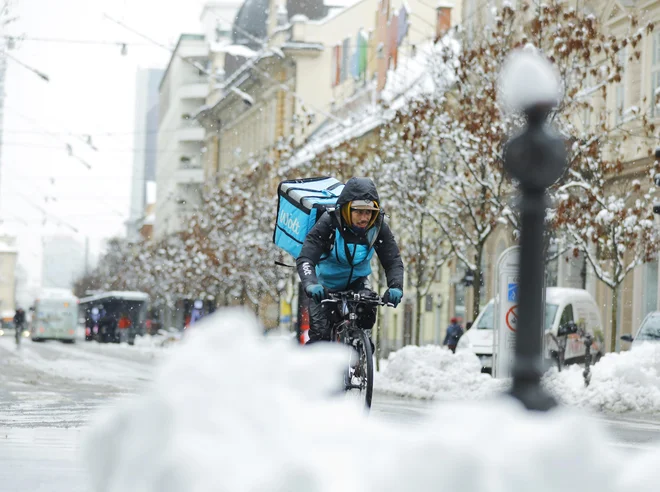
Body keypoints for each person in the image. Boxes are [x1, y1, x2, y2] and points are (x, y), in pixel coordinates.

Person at [296, 177, 404, 344]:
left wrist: (396, 286)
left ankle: (361, 354)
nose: (364, 217)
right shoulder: (329, 222)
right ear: (347, 209)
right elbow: (306, 258)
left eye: (369, 212)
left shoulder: (377, 227)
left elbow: (393, 261)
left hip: (358, 283)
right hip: (324, 286)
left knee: (366, 320)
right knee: (321, 339)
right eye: (359, 211)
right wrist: (311, 284)